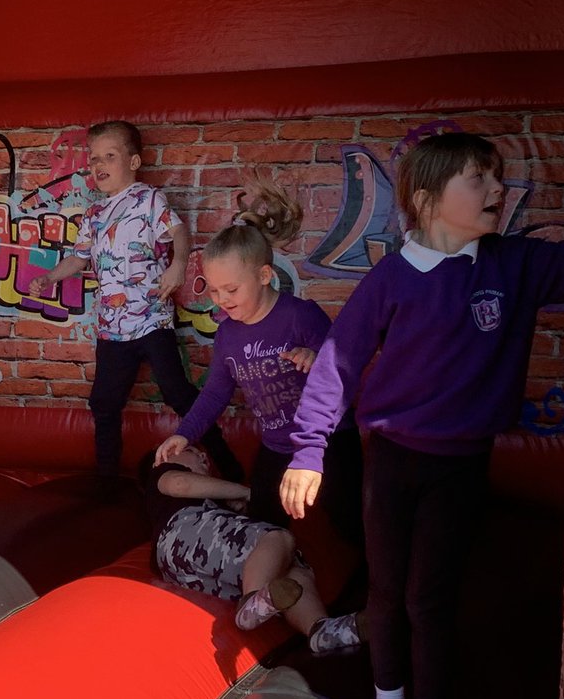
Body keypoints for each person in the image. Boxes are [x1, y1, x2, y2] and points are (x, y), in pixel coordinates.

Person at [280, 131, 564, 699]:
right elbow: (339, 362)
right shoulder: (392, 278)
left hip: (461, 465)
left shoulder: (515, 265)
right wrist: (308, 451)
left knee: (428, 600)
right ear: (429, 199)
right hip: (392, 459)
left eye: (498, 177)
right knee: (385, 592)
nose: (499, 190)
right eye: (479, 180)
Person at [28, 120, 241, 484]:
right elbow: (79, 259)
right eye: (94, 158)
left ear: (134, 161)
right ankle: (107, 484)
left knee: (179, 394)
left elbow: (177, 231)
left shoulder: (147, 199)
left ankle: (232, 469)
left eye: (110, 156)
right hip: (112, 329)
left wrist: (176, 267)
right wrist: (49, 277)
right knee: (104, 405)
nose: (100, 165)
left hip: (152, 320)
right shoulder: (93, 216)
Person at [153, 180, 363, 546]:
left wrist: (314, 359)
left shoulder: (301, 316)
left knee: (349, 523)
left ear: (265, 276)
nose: (221, 300)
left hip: (330, 442)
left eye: (231, 290)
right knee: (262, 526)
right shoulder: (228, 334)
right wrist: (184, 433)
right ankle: (270, 591)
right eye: (214, 290)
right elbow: (216, 392)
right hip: (276, 445)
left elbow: (341, 372)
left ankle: (370, 588)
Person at [139, 447, 363, 655]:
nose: (203, 457)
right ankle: (250, 603)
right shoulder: (163, 472)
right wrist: (246, 492)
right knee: (279, 538)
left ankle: (320, 629)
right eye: (191, 451)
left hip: (176, 567)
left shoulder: (206, 505)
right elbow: (181, 484)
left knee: (288, 566)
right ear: (164, 456)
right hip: (183, 530)